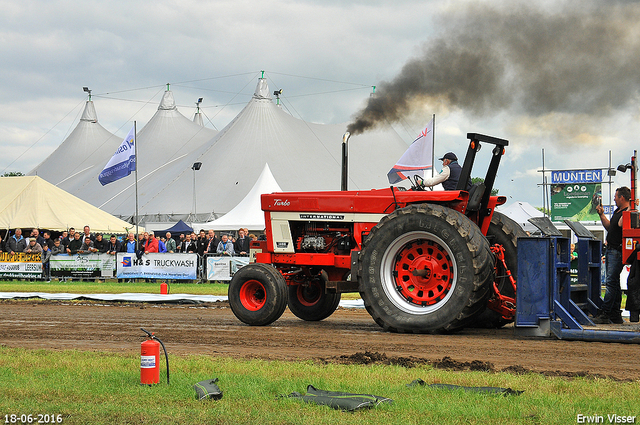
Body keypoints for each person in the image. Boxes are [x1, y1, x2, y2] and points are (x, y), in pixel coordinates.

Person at [593, 186, 631, 324]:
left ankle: (606, 312)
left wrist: (631, 207)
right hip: (612, 250)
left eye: (615, 196)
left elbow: (622, 224)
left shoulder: (627, 212)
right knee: (613, 283)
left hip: (617, 251)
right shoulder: (618, 211)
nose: (614, 199)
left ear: (622, 197)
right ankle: (615, 314)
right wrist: (602, 215)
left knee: (610, 283)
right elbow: (610, 227)